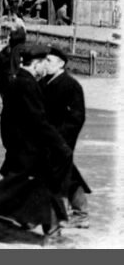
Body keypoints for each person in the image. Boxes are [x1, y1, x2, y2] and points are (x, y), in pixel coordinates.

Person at [0, 44, 72, 246]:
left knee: (36, 188)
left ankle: (52, 234)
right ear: (36, 64)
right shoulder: (27, 84)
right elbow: (39, 122)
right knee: (9, 191)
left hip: (24, 148)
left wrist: (12, 144)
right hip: (28, 151)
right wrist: (60, 144)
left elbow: (7, 121)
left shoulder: (19, 80)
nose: (46, 66)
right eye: (44, 62)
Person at [42, 46, 91, 229]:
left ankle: (79, 214)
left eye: (49, 60)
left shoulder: (71, 85)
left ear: (61, 64)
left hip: (61, 139)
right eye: (45, 60)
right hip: (47, 138)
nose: (45, 64)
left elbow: (77, 117)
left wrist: (62, 139)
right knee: (67, 172)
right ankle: (79, 213)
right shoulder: (45, 81)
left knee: (64, 173)